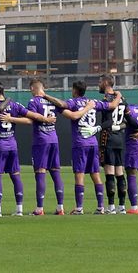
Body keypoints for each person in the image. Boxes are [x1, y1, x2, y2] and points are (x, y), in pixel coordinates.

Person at [43, 80, 118, 214]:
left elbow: (61, 104)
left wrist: (45, 95)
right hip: (93, 143)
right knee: (95, 174)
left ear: (74, 90)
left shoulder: (74, 102)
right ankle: (101, 207)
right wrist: (118, 95)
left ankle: (79, 208)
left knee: (79, 174)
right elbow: (112, 105)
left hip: (80, 143)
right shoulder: (93, 102)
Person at [0, 80, 31, 217]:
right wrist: (12, 119)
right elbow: (29, 120)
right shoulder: (14, 105)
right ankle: (19, 209)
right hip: (12, 146)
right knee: (15, 176)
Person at [25, 78, 65, 215]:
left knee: (40, 172)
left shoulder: (33, 101)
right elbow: (63, 105)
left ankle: (40, 208)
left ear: (32, 88)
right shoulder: (51, 101)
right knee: (56, 172)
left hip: (41, 140)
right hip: (54, 139)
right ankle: (60, 207)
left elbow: (31, 118)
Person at [98, 76, 127, 214]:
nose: (98, 85)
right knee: (120, 173)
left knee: (109, 173)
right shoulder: (122, 99)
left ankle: (111, 207)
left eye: (99, 82)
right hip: (119, 139)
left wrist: (97, 128)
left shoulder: (107, 100)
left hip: (108, 138)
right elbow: (129, 120)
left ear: (105, 83)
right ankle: (122, 207)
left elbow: (108, 122)